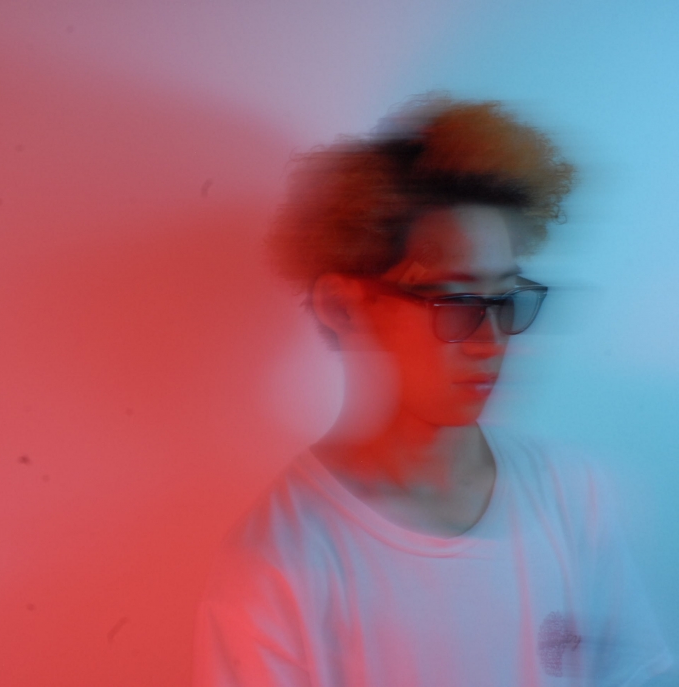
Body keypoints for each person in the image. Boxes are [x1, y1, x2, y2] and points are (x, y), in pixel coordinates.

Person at [193, 96, 674, 686]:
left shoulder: (570, 497)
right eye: (456, 300)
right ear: (343, 306)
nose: (491, 339)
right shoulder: (279, 563)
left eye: (505, 298)